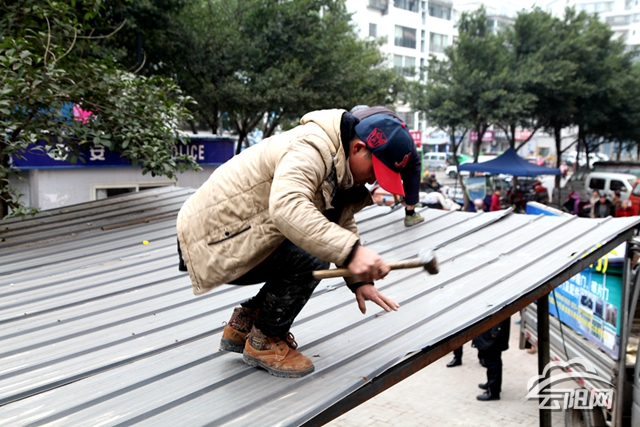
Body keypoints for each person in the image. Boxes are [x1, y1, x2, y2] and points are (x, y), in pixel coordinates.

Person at [176, 110, 413, 378]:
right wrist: (353, 252)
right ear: (358, 148)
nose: (372, 181)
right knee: (312, 255)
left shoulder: (339, 159)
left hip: (229, 233)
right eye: (375, 171)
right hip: (208, 242)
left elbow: (338, 221)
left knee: (315, 241)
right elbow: (287, 207)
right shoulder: (311, 148)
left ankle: (245, 323)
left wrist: (359, 280)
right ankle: (265, 339)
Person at [351, 106, 424, 227]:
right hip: (398, 135)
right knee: (411, 167)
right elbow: (414, 168)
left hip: (394, 134)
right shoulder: (354, 125)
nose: (371, 181)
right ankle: (410, 213)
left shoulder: (354, 122)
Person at [472, 317, 511, 401]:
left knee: (493, 362)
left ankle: (493, 392)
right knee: (489, 361)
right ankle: (490, 384)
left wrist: (496, 330)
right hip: (488, 330)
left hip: (493, 334)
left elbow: (502, 313)